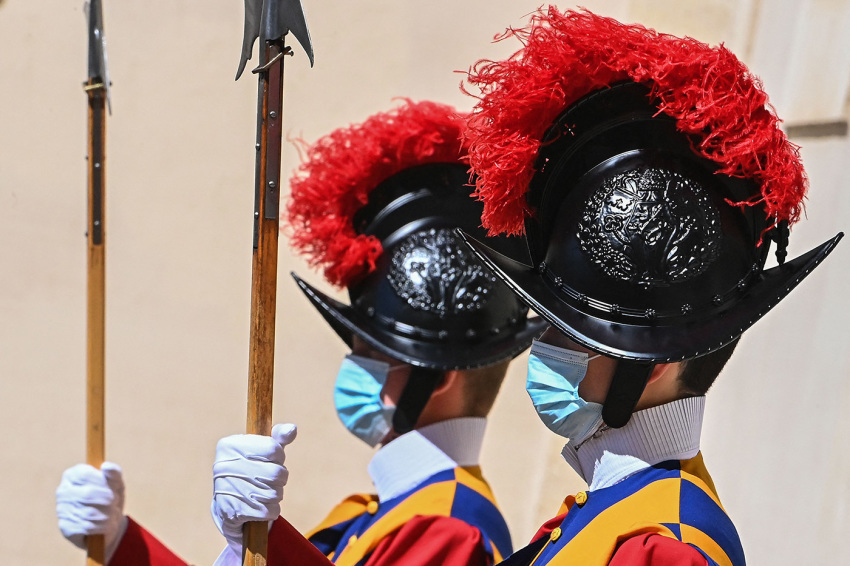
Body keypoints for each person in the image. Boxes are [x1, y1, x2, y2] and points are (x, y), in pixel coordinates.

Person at [55, 99, 548, 566]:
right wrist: (124, 543)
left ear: (435, 378)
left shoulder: (447, 528)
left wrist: (268, 539)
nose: (354, 367)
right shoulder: (374, 513)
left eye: (371, 353)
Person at [457, 8, 843, 565]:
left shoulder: (664, 548)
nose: (541, 350)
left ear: (652, 363)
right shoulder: (612, 514)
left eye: (568, 333)